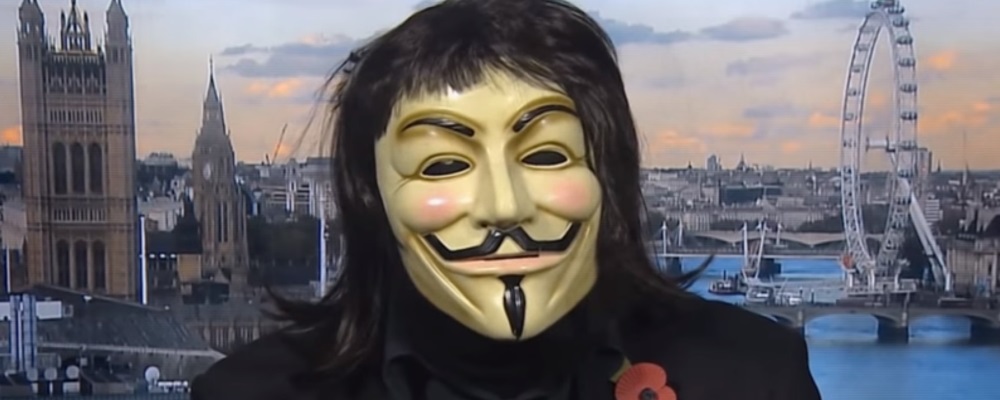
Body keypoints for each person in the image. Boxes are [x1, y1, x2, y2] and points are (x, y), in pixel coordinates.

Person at [191, 0, 822, 399]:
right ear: (369, 196)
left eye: (545, 156)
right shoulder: (249, 394)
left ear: (611, 173)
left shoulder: (752, 377)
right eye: (444, 165)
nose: (503, 205)